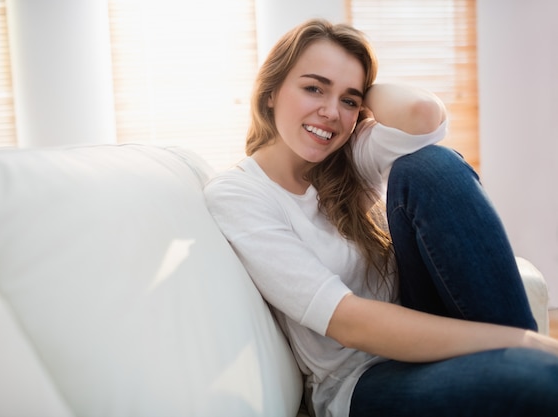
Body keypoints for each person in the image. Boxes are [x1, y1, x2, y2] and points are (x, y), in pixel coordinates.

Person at [203, 18, 558, 417]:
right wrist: (520, 341)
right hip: (361, 378)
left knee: (429, 165)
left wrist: (358, 88)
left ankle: (534, 357)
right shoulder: (239, 193)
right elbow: (347, 321)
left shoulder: (347, 155)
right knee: (538, 380)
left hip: (424, 321)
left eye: (349, 100)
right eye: (313, 88)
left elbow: (423, 114)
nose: (330, 112)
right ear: (270, 92)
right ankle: (531, 356)